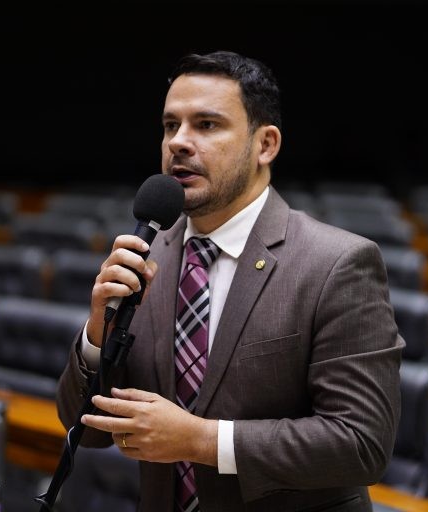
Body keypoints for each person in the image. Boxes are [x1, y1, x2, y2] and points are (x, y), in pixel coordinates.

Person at [57, 50, 403, 512]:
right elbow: (89, 430)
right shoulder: (147, 254)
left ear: (266, 144)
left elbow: (361, 445)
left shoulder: (337, 263)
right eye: (169, 125)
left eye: (206, 125)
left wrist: (202, 440)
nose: (179, 142)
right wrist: (98, 335)